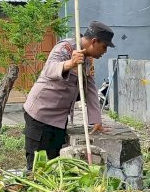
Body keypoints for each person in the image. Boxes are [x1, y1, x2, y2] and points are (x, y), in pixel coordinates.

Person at [23, 20, 114, 171]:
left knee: (54, 165)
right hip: (40, 115)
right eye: (104, 47)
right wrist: (70, 63)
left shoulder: (88, 60)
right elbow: (49, 70)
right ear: (94, 41)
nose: (104, 52)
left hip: (59, 120)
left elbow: (90, 89)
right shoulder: (65, 48)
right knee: (37, 166)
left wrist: (96, 121)